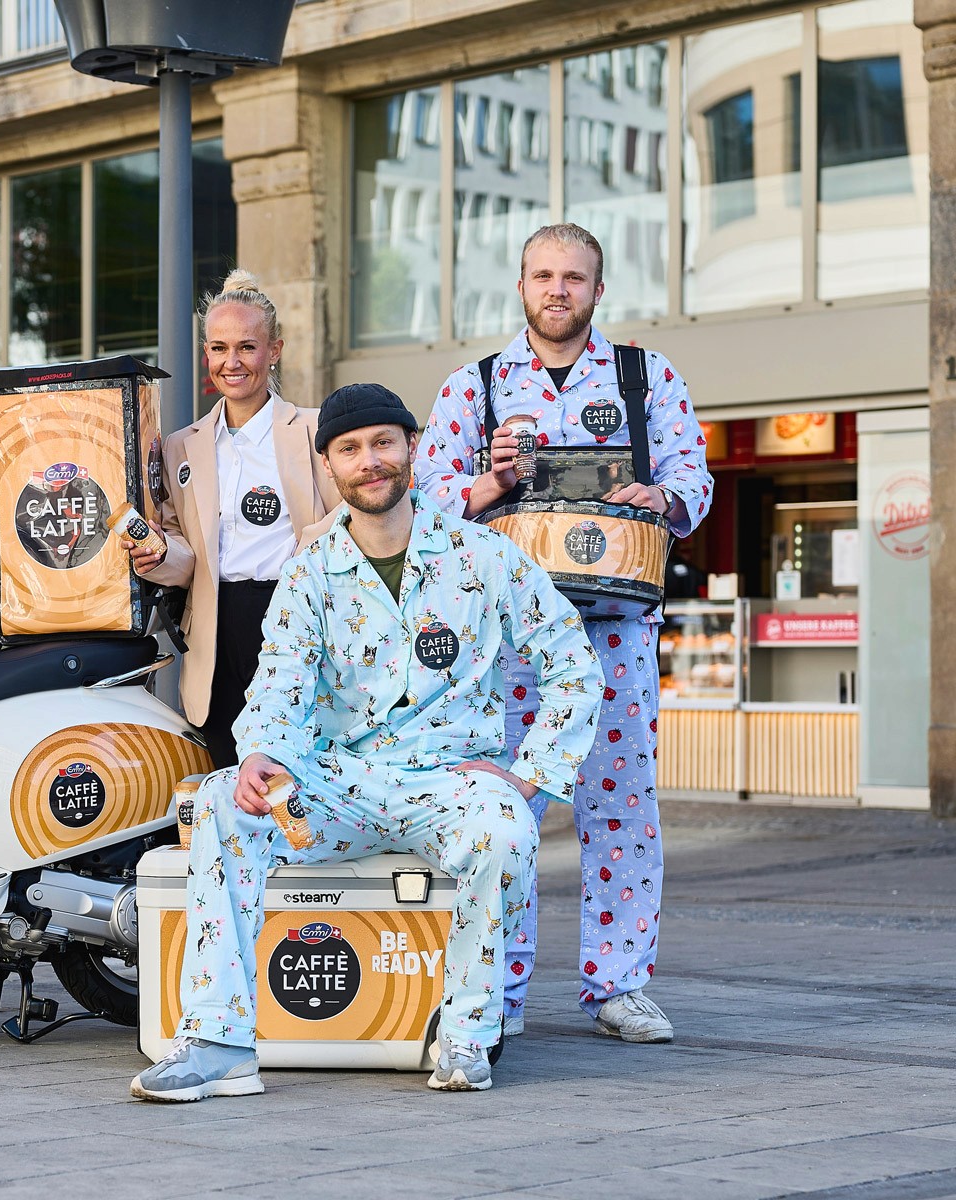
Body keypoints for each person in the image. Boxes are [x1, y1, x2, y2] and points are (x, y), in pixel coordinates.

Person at [131, 384, 602, 1099]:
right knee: (226, 800)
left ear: (412, 448)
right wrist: (261, 754)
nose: (370, 461)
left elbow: (572, 661)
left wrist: (529, 776)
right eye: (349, 449)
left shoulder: (483, 557)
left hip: (449, 783)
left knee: (505, 827)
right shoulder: (309, 571)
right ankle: (220, 1043)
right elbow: (278, 686)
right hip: (339, 783)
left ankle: (468, 1036)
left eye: (384, 442)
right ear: (328, 466)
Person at [415, 223, 714, 1043]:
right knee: (501, 814)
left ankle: (617, 985)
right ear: (521, 286)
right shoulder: (473, 388)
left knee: (621, 811)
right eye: (543, 276)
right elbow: (420, 504)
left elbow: (695, 474)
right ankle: (497, 992)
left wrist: (662, 497)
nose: (558, 290)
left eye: (574, 278)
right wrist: (488, 479)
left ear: (597, 289)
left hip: (615, 633)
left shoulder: (645, 376)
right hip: (505, 646)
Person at [131, 270, 340, 768]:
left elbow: (346, 518)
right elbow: (185, 553)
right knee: (229, 775)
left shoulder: (315, 430)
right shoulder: (182, 445)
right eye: (220, 349)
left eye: (247, 347)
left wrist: (300, 557)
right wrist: (158, 555)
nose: (233, 362)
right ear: (206, 355)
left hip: (295, 616)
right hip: (215, 626)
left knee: (299, 772)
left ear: (275, 350)